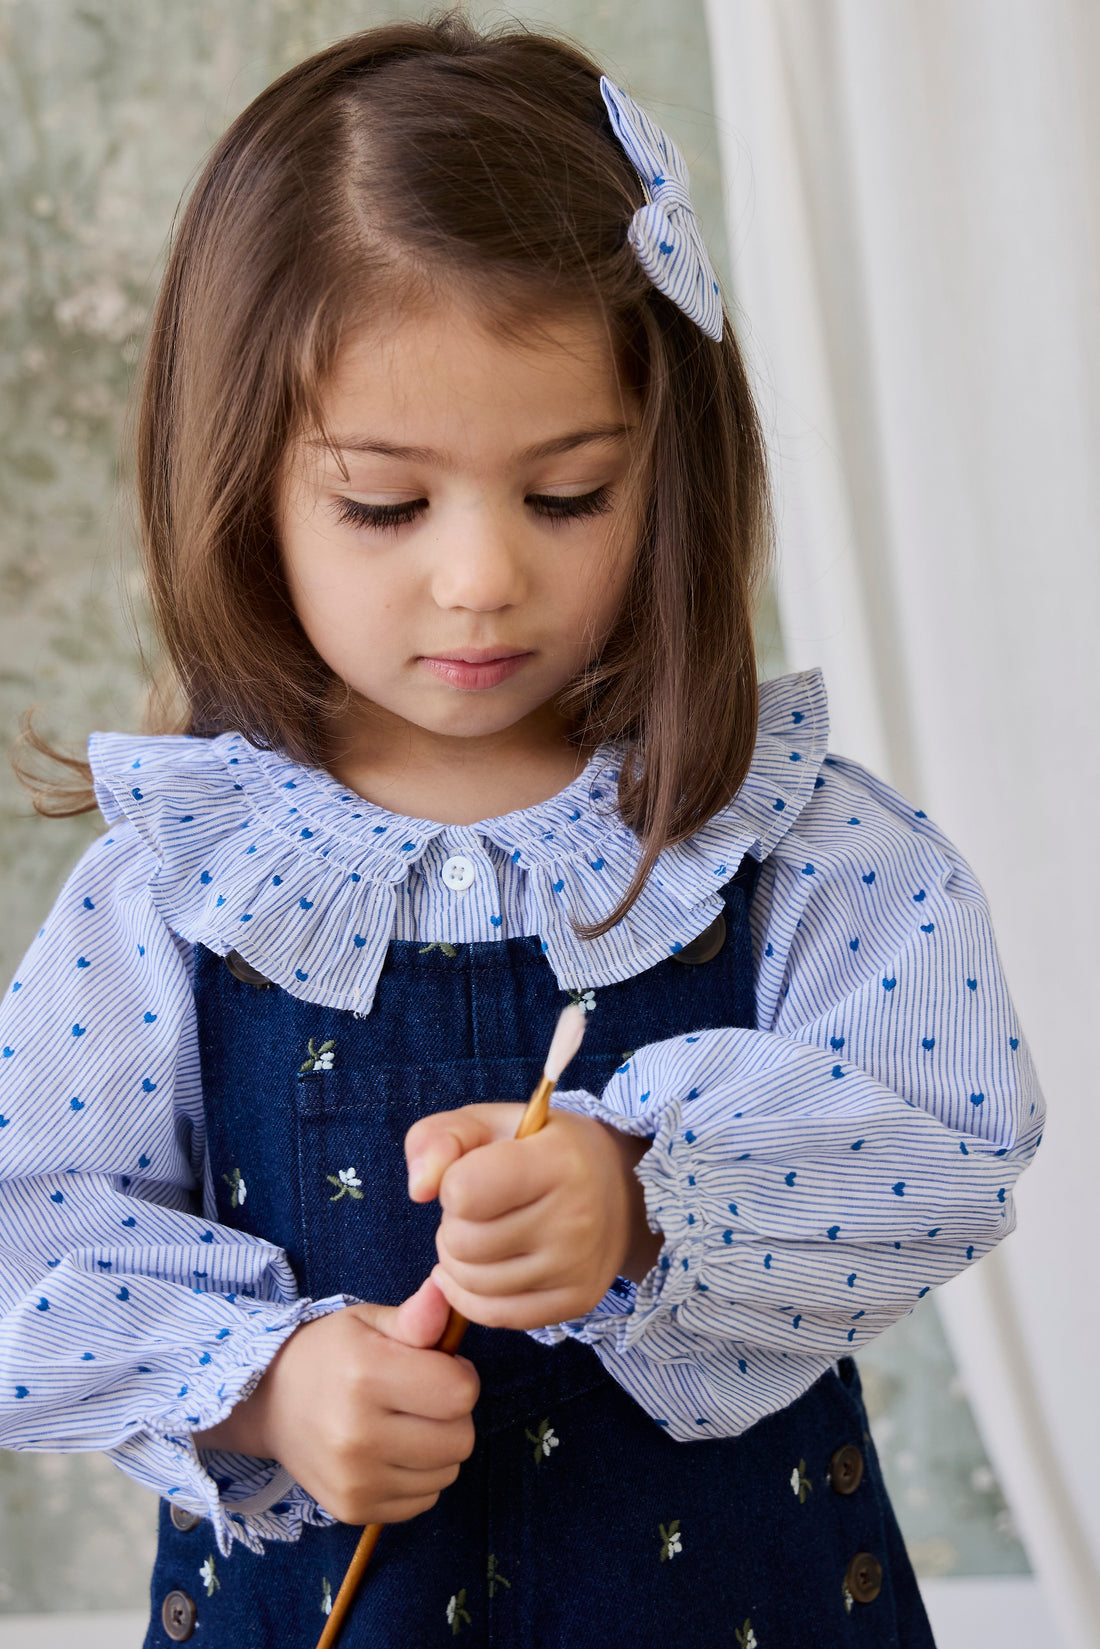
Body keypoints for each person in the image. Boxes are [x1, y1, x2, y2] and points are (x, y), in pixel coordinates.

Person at [0, 14, 1042, 1647]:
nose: (482, 575)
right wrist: (264, 1381)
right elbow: (21, 1234)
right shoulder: (179, 883)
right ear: (244, 485)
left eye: (567, 494)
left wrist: (645, 1191)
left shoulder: (798, 841)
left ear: (668, 469)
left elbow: (954, 1144)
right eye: (384, 502)